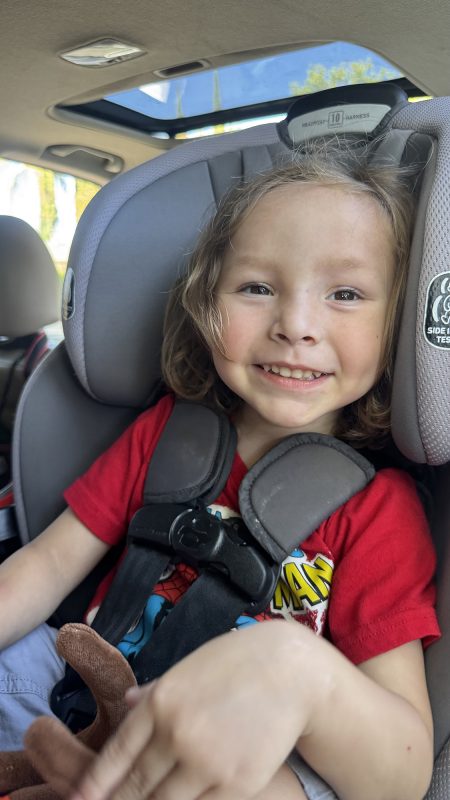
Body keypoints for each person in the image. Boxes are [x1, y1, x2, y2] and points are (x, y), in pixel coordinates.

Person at [0, 143, 441, 800]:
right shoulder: (166, 436)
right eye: (257, 287)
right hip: (86, 694)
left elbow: (403, 775)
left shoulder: (378, 510)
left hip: (245, 757)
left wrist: (300, 673)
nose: (296, 325)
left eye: (346, 294)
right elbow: (45, 567)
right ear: (207, 304)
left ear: (396, 326)